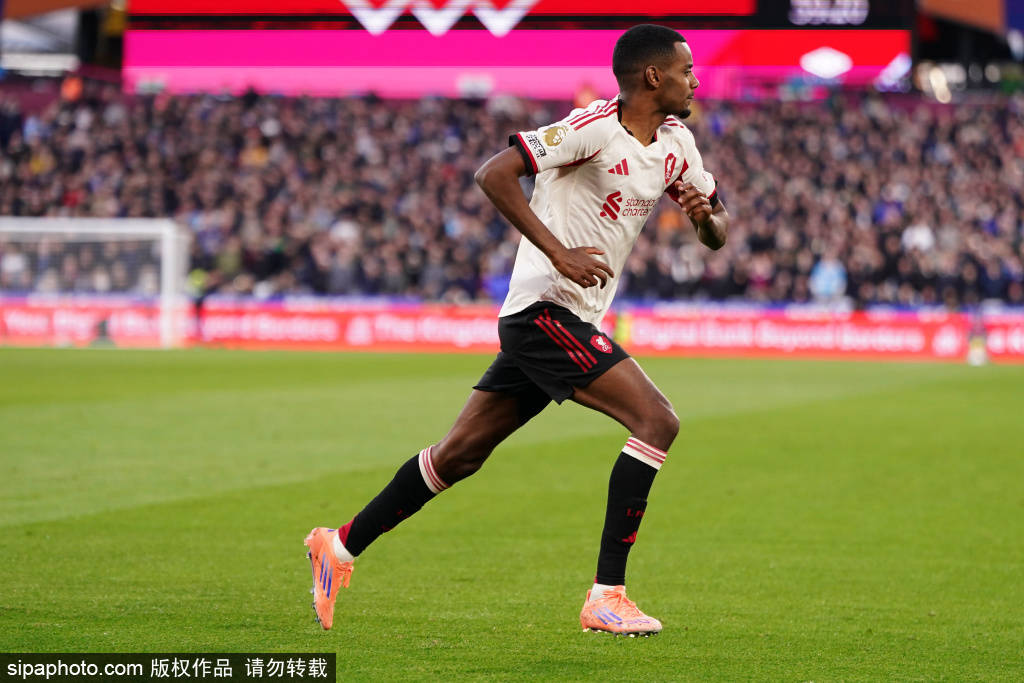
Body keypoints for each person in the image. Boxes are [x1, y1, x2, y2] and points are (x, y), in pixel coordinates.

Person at [305, 24, 730, 636]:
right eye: (687, 70)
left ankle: (339, 545)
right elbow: (494, 174)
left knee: (458, 455)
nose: (695, 80)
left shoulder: (677, 144)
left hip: (572, 318)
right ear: (652, 76)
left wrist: (704, 217)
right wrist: (558, 253)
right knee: (657, 420)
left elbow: (717, 233)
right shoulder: (591, 127)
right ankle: (607, 595)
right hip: (542, 313)